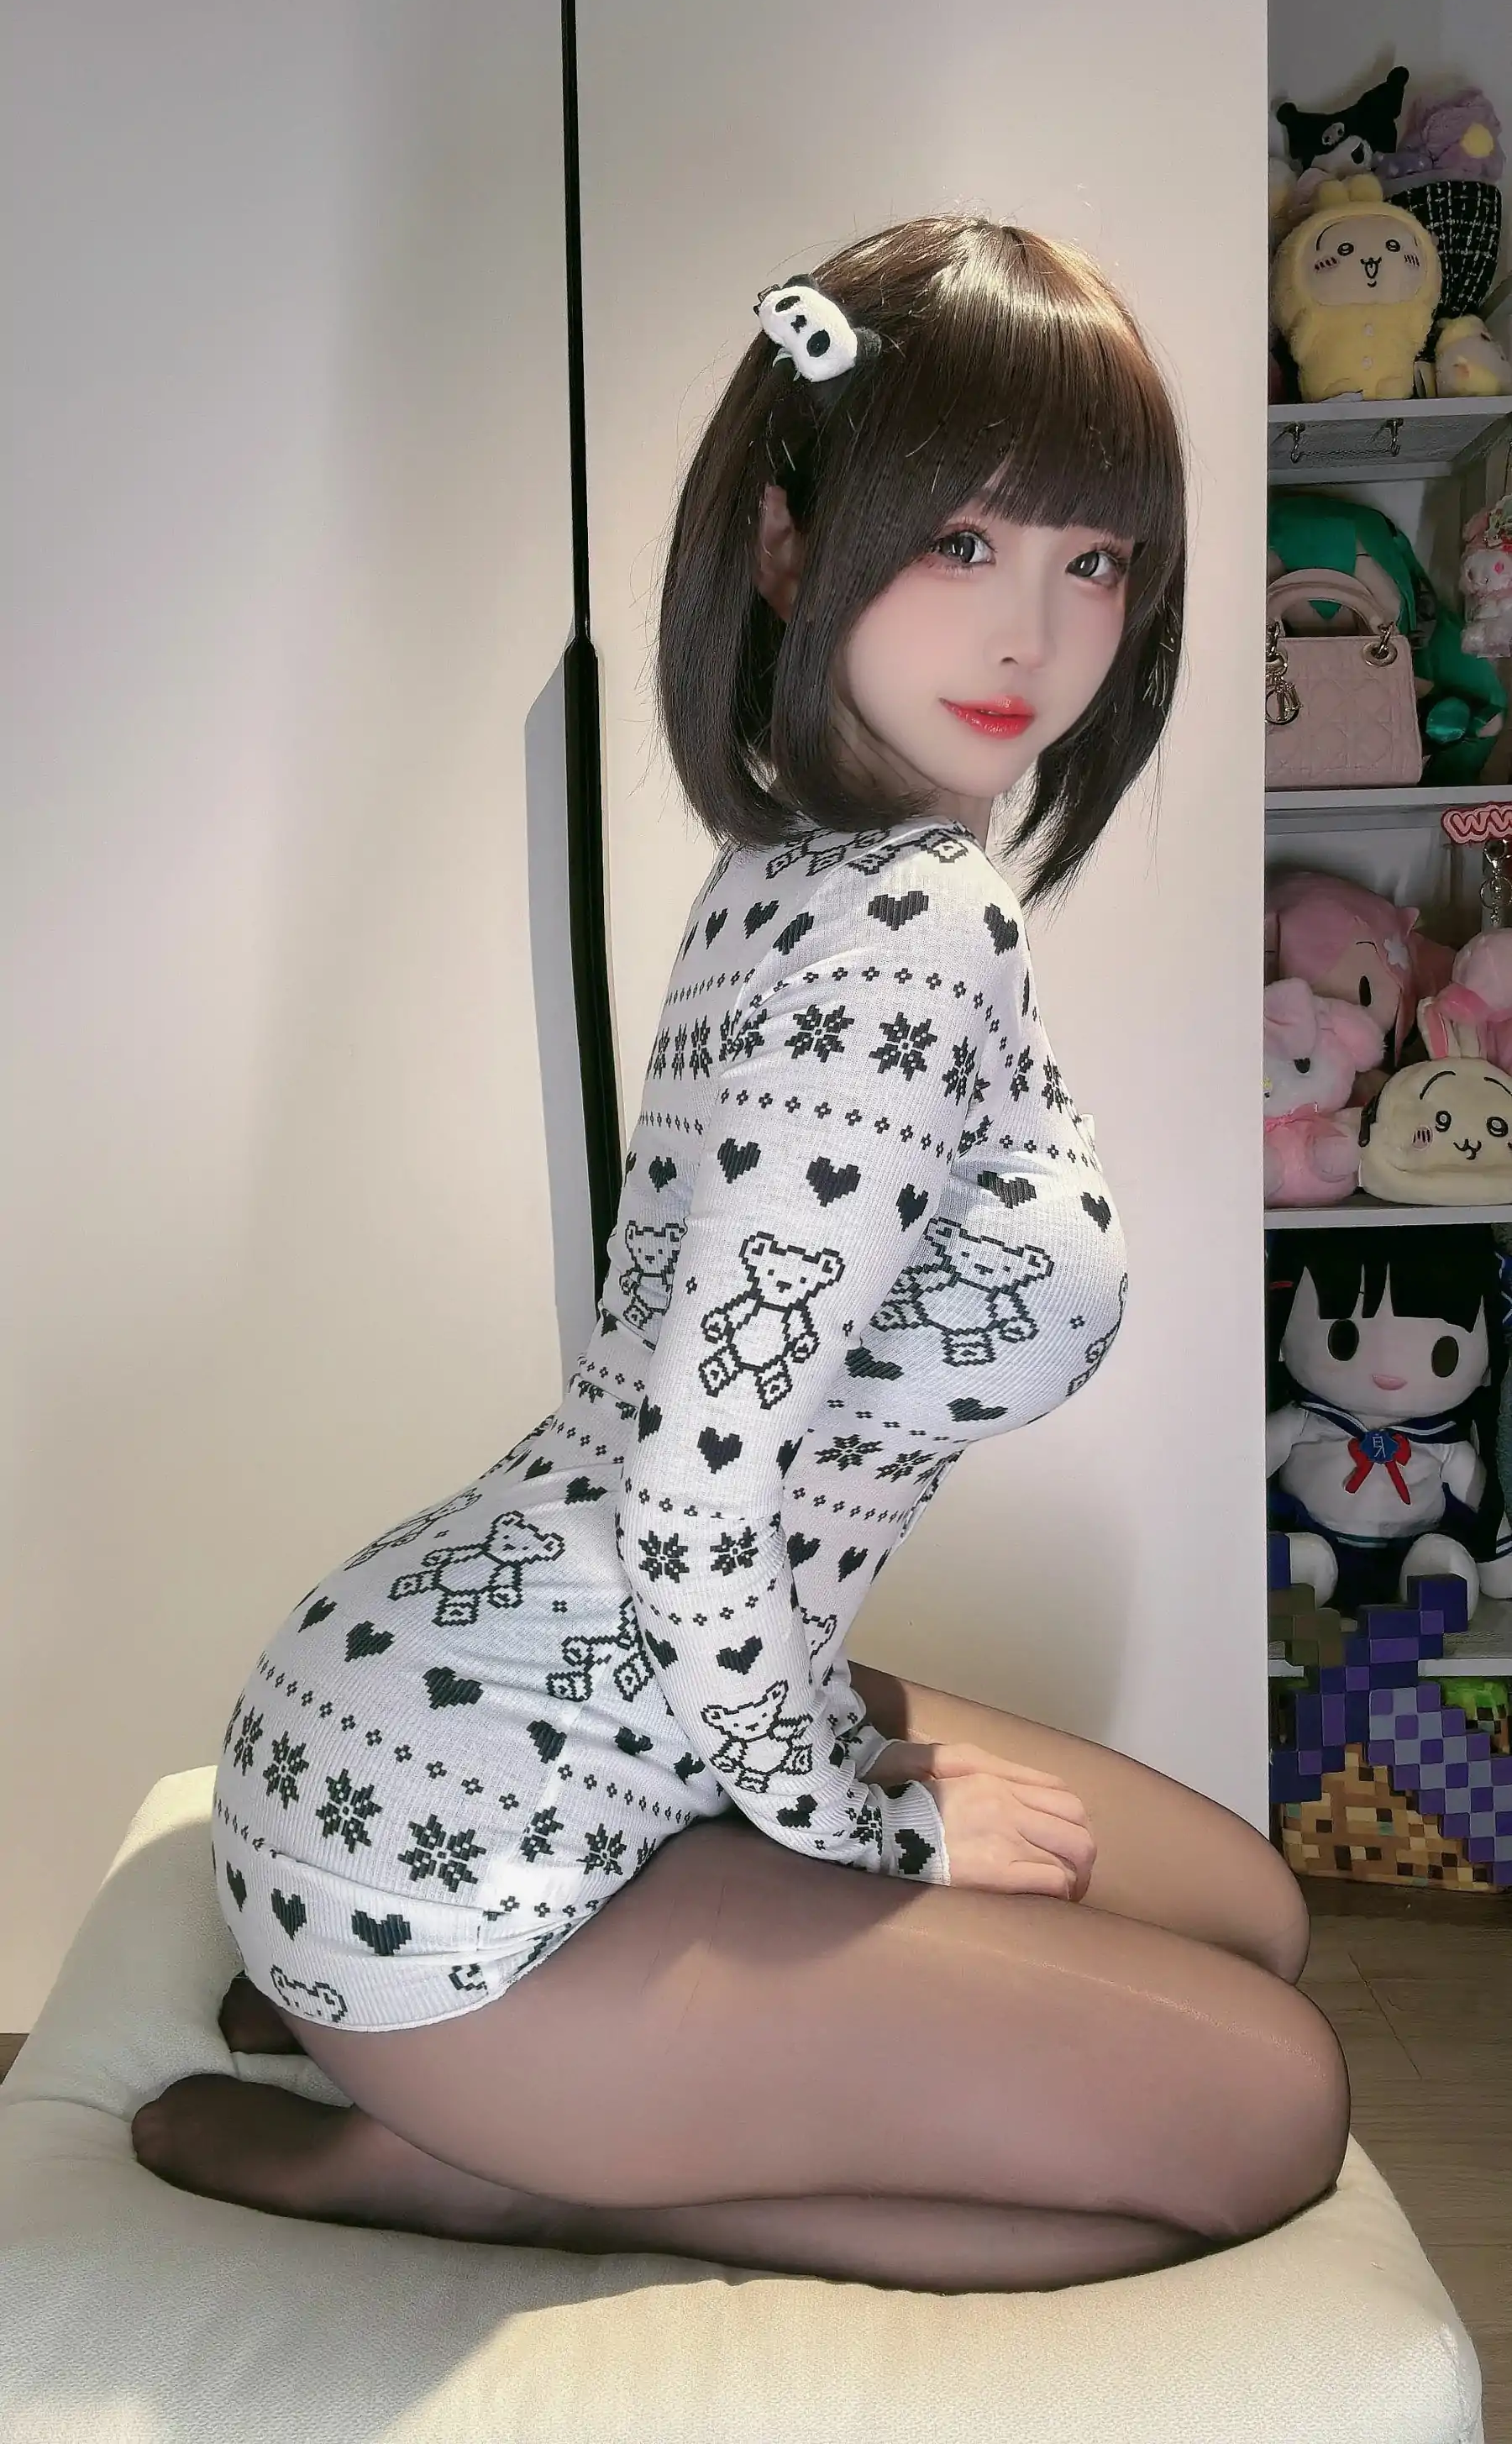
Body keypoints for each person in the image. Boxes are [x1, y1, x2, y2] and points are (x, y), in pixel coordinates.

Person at [132, 215, 1349, 2296]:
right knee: (1271, 2111)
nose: (1035, 631)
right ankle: (474, 2170)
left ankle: (519, 2090)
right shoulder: (908, 921)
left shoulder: (807, 864)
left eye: (1094, 560)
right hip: (467, 1879)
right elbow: (695, 1498)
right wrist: (876, 1824)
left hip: (519, 1702)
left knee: (1256, 1915)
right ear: (789, 544)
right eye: (960, 539)